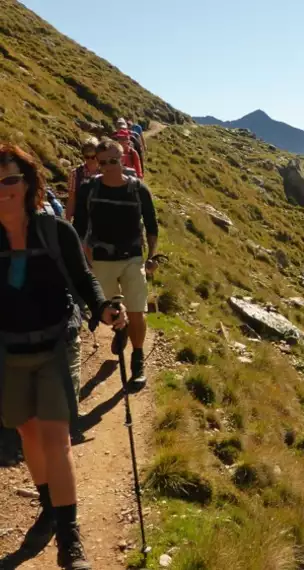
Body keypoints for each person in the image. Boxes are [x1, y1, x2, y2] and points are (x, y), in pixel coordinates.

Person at [0, 143, 126, 569]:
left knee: (55, 438)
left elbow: (84, 279)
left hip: (56, 345)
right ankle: (50, 508)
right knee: (29, 435)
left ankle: (70, 540)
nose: (3, 190)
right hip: (9, 352)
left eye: (10, 180)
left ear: (28, 181)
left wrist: (104, 308)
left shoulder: (55, 231)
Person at [73, 139, 159, 388]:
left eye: (113, 161)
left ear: (122, 158)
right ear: (96, 163)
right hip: (101, 260)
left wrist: (151, 257)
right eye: (103, 162)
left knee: (137, 309)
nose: (109, 166)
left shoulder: (139, 190)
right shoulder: (89, 189)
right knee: (110, 311)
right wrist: (82, 259)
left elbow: (152, 226)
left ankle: (138, 360)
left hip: (132, 258)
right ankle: (121, 330)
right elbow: (79, 228)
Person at [65, 138, 100, 222]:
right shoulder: (75, 174)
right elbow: (71, 200)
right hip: (81, 218)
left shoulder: (106, 172)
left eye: (93, 157)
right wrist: (67, 222)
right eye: (87, 157)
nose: (90, 160)